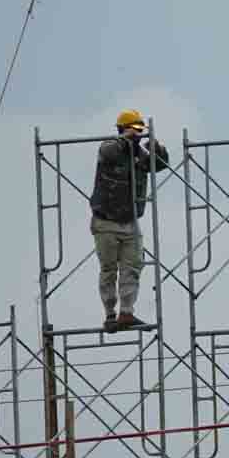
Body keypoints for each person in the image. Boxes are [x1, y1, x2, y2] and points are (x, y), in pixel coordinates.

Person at [90, 109, 171, 331]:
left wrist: (156, 147)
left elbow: (160, 164)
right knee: (108, 269)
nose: (138, 136)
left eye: (140, 131)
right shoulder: (111, 149)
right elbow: (107, 151)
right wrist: (124, 139)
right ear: (122, 129)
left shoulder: (139, 154)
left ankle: (126, 312)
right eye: (134, 130)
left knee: (132, 267)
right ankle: (109, 314)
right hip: (106, 221)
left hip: (130, 221)